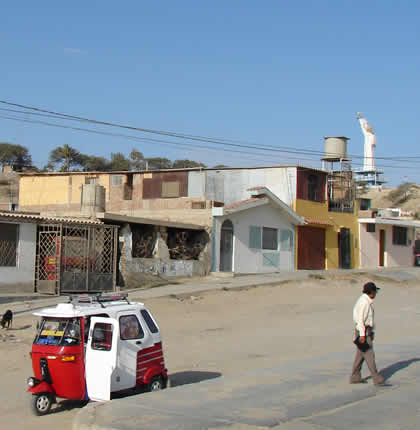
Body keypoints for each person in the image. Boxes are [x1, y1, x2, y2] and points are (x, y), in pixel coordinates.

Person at [350, 282, 385, 385]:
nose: (376, 293)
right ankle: (376, 378)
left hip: (366, 331)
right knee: (369, 355)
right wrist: (362, 335)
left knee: (360, 355)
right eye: (375, 291)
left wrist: (372, 331)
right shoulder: (364, 302)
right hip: (363, 331)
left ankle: (355, 377)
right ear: (371, 292)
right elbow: (360, 320)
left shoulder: (366, 301)